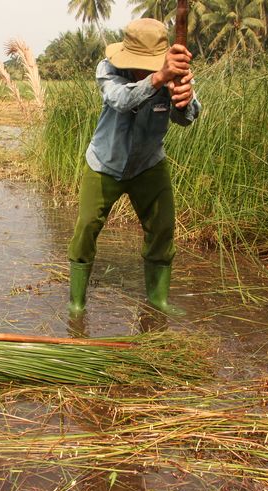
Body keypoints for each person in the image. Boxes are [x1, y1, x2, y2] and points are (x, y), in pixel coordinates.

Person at [68, 18, 201, 317]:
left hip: (148, 163)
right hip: (105, 163)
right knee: (87, 227)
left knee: (163, 228)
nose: (147, 69)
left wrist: (184, 99)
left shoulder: (175, 74)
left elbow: (186, 119)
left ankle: (158, 300)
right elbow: (120, 100)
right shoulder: (108, 69)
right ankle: (76, 302)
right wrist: (158, 79)